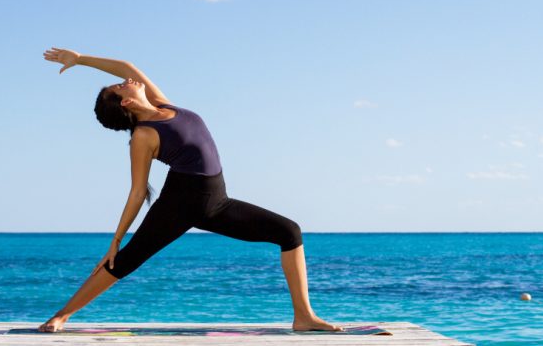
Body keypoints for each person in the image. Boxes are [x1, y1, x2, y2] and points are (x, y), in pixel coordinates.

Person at [38, 48, 342, 333]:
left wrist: (79, 59)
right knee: (126, 259)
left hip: (216, 201)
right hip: (180, 202)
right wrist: (116, 240)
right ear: (126, 103)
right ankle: (61, 316)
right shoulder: (143, 136)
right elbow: (138, 191)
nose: (127, 81)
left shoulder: (161, 104)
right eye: (120, 87)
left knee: (289, 232)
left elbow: (127, 67)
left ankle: (303, 316)